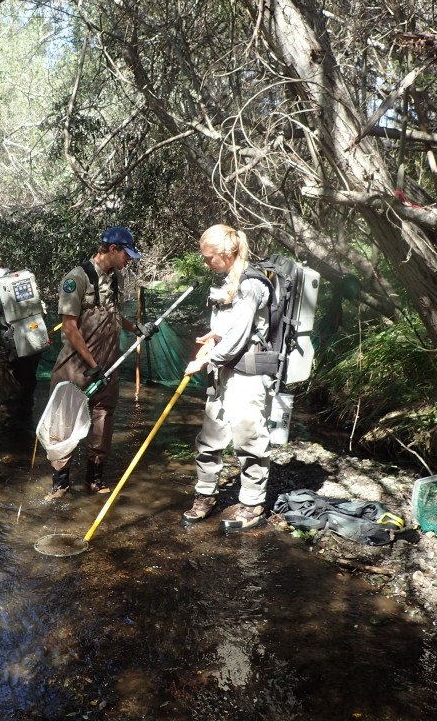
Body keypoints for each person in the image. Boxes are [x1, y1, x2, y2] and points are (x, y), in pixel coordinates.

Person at [45, 226, 158, 499]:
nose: (129, 261)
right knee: (65, 422)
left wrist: (136, 328)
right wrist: (91, 364)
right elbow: (69, 328)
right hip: (77, 365)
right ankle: (61, 482)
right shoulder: (76, 278)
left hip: (109, 365)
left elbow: (114, 317)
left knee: (103, 419)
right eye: (126, 255)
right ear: (112, 249)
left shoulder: (116, 278)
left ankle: (94, 478)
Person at [181, 224, 276, 533]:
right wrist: (214, 335)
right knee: (209, 438)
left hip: (246, 375)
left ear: (226, 253)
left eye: (209, 258)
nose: (206, 263)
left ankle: (251, 505)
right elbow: (229, 326)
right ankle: (205, 497)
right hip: (223, 373)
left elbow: (238, 337)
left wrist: (205, 360)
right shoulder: (229, 282)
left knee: (249, 440)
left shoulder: (252, 284)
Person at [0, 251, 43, 431]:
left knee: (8, 400)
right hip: (32, 344)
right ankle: (26, 441)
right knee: (26, 396)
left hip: (5, 352)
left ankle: (8, 451)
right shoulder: (23, 279)